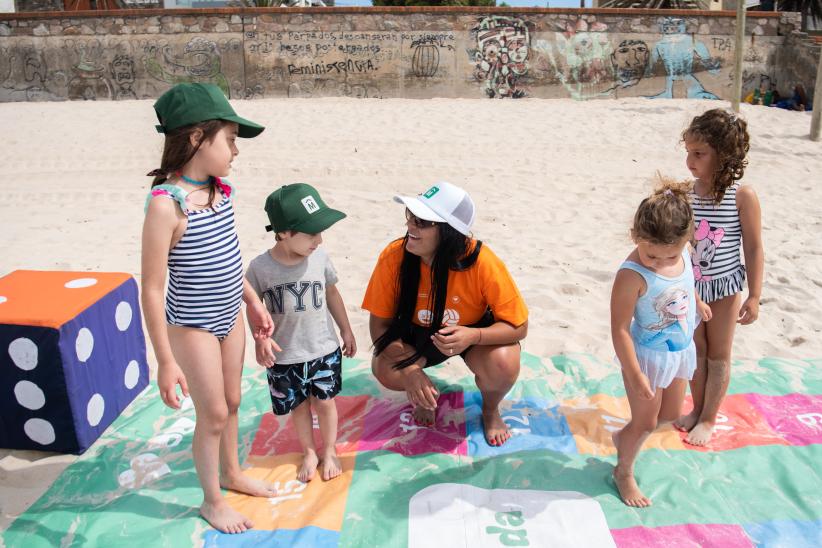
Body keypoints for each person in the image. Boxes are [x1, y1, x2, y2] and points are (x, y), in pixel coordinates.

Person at [141, 83, 276, 534]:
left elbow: (229, 260)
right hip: (191, 325)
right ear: (198, 138)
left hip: (229, 317)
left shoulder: (223, 192)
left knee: (233, 401)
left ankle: (232, 473)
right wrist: (164, 361)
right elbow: (153, 289)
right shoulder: (167, 206)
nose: (236, 151)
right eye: (231, 140)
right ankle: (212, 501)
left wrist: (253, 303)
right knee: (213, 413)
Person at [362, 182, 528, 447]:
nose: (410, 227)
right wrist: (412, 369)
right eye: (410, 217)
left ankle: (490, 410)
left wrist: (475, 335)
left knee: (504, 364)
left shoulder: (482, 261)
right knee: (385, 369)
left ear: (450, 233)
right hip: (416, 333)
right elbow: (379, 326)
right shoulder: (395, 256)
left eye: (422, 222)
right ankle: (423, 398)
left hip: (470, 331)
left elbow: (519, 327)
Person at [610, 181, 712, 508]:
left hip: (679, 353)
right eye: (650, 253)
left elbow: (682, 281)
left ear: (686, 240)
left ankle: (623, 438)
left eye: (668, 254)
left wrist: (696, 300)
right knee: (645, 422)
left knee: (668, 414)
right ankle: (623, 471)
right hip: (645, 359)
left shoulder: (679, 255)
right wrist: (635, 373)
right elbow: (620, 329)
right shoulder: (632, 275)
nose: (657, 261)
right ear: (635, 235)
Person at [246, 183, 356, 483]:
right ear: (283, 233)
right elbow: (254, 307)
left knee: (325, 402)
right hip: (286, 355)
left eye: (321, 233)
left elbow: (332, 293)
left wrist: (346, 329)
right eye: (311, 233)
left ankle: (330, 449)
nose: (319, 240)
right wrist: (261, 338)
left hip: (323, 348)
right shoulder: (260, 268)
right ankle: (309, 451)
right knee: (299, 406)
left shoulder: (319, 259)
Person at [675, 109, 764, 446]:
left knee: (718, 354)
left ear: (724, 156)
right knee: (695, 350)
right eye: (687, 152)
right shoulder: (688, 194)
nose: (690, 161)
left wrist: (754, 295)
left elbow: (754, 249)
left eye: (699, 154)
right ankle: (697, 409)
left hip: (725, 287)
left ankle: (710, 418)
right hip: (692, 287)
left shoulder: (742, 196)